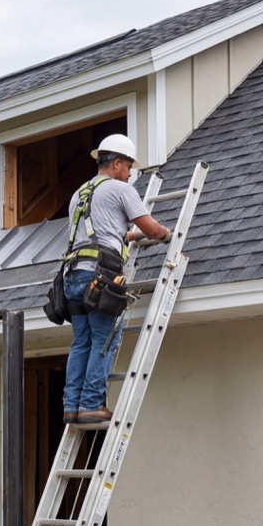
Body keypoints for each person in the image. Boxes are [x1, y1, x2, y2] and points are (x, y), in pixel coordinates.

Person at [62, 134, 171, 425]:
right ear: (117, 163)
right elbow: (148, 225)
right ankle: (91, 405)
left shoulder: (80, 193)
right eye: (129, 167)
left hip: (72, 276)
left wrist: (134, 236)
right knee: (105, 339)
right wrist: (164, 234)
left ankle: (71, 406)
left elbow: (109, 232)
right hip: (99, 275)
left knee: (81, 342)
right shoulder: (120, 190)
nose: (130, 173)